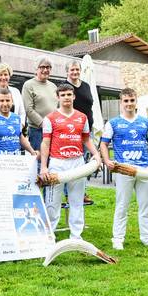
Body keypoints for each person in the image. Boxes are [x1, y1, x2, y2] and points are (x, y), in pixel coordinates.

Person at [99, 88, 148, 251]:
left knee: (146, 207)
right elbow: (103, 144)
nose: (129, 104)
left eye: (132, 100)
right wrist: (106, 160)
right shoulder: (113, 123)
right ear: (121, 102)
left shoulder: (145, 122)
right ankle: (118, 239)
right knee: (122, 206)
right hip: (124, 169)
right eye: (126, 101)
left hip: (145, 170)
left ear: (136, 102)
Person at [40, 84, 100, 240]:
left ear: (74, 96)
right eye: (63, 95)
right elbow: (45, 143)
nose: (66, 97)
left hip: (77, 163)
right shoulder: (50, 118)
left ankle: (76, 236)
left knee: (77, 201)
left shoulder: (82, 117)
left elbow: (86, 139)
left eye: (69, 94)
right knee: (52, 203)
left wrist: (96, 154)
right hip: (57, 163)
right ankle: (49, 236)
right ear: (57, 97)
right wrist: (44, 167)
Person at [64, 59, 97, 205]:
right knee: (70, 162)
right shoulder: (65, 87)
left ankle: (81, 192)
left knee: (82, 162)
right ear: (67, 72)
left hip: (86, 130)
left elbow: (89, 106)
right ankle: (68, 194)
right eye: (72, 69)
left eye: (77, 69)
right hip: (71, 131)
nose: (75, 72)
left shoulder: (86, 86)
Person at [22, 56, 58, 154]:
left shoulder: (53, 86)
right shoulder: (28, 85)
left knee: (53, 159)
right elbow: (28, 109)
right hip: (37, 131)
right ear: (36, 68)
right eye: (42, 67)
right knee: (38, 159)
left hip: (53, 130)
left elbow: (57, 108)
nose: (45, 70)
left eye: (48, 67)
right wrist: (44, 124)